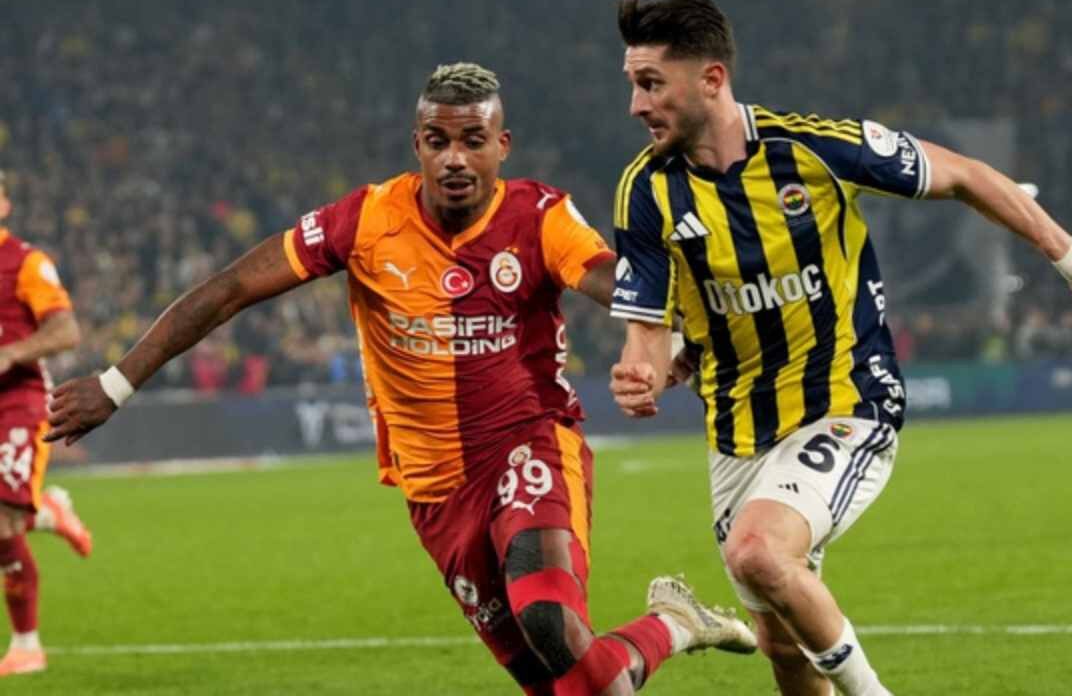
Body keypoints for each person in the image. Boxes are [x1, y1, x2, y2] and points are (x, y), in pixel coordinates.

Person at [45, 64, 754, 695]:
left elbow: (612, 282)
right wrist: (115, 385)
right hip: (435, 488)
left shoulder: (540, 216)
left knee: (549, 619)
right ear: (417, 144)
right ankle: (673, 624)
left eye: (473, 140)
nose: (455, 157)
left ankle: (666, 623)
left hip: (528, 443)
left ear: (502, 146)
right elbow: (231, 288)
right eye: (438, 141)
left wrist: (668, 339)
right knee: (565, 683)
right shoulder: (366, 220)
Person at [607, 0, 1072, 696]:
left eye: (650, 84)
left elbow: (966, 175)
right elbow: (644, 335)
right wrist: (639, 374)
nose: (636, 105)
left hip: (846, 402)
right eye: (633, 85)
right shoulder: (644, 192)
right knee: (783, 645)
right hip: (737, 432)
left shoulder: (812, 149)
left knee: (758, 553)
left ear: (712, 79)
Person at [0, 169, 94, 677]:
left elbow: (66, 330)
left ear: (4, 206)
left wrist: (11, 353)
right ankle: (49, 512)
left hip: (16, 402)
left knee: (2, 520)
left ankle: (27, 646)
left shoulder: (26, 263)